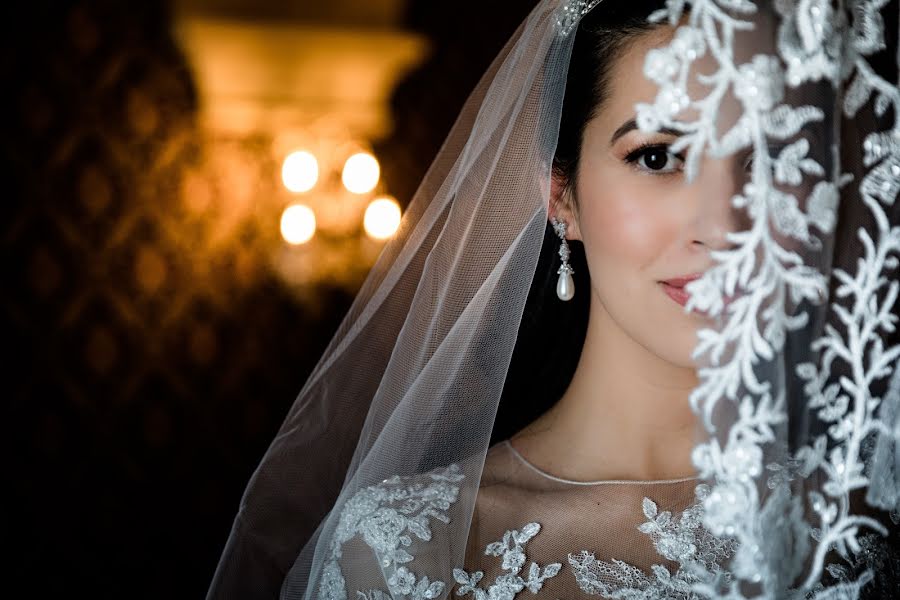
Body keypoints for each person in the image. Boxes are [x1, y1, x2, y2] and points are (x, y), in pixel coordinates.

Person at [208, 1, 900, 598]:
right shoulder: (414, 550)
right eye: (658, 156)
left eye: (774, 158)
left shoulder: (867, 529)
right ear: (561, 197)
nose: (723, 227)